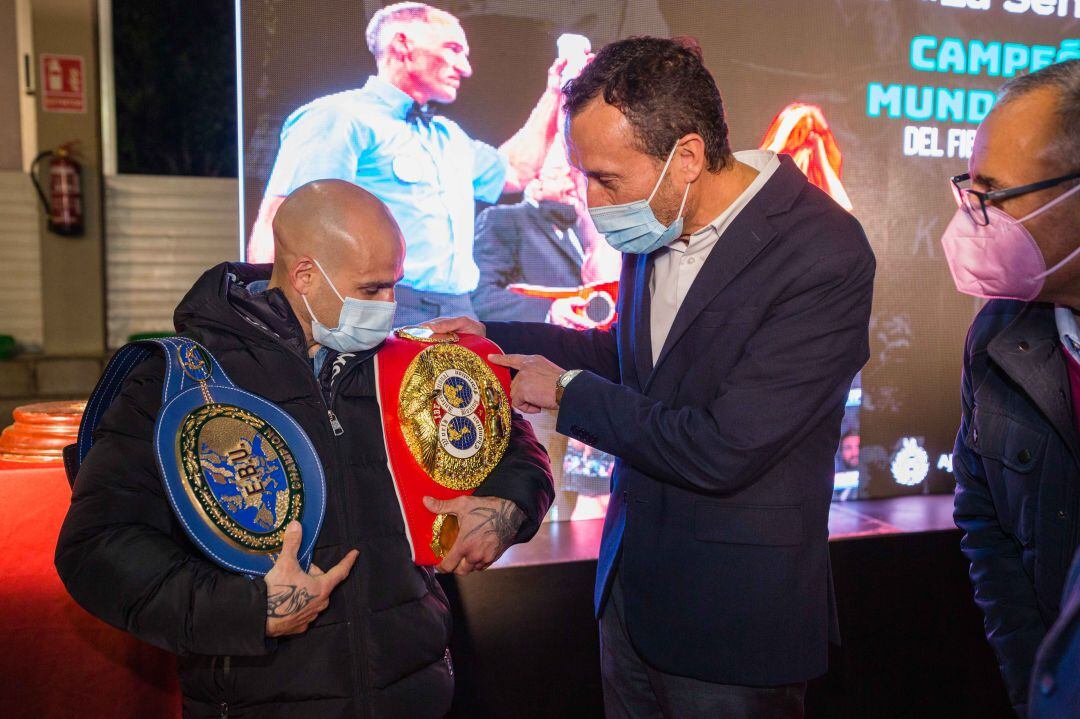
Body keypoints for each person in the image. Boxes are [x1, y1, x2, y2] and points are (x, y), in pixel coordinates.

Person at [429, 37, 876, 718]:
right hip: (629, 601)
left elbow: (726, 446)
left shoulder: (822, 252)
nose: (592, 199)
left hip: (733, 629)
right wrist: (494, 337)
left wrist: (568, 394)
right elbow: (629, 358)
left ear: (687, 157)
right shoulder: (658, 219)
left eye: (607, 179)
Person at [55, 180, 553, 717]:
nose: (390, 307)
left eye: (395, 286)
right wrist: (246, 611)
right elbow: (96, 548)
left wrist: (507, 507)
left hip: (416, 695)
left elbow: (515, 446)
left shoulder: (402, 363)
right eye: (371, 290)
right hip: (263, 702)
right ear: (305, 275)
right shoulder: (180, 382)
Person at [248, 2, 564, 327]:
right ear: (403, 45)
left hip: (461, 311)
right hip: (381, 306)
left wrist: (556, 91)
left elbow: (515, 171)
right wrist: (272, 321)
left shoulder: (448, 136)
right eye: (453, 49)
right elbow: (283, 218)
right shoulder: (340, 117)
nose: (465, 68)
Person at [946, 59, 1080, 716]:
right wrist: (1040, 680)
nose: (974, 218)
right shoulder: (995, 334)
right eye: (968, 191)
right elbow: (985, 520)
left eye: (993, 196)